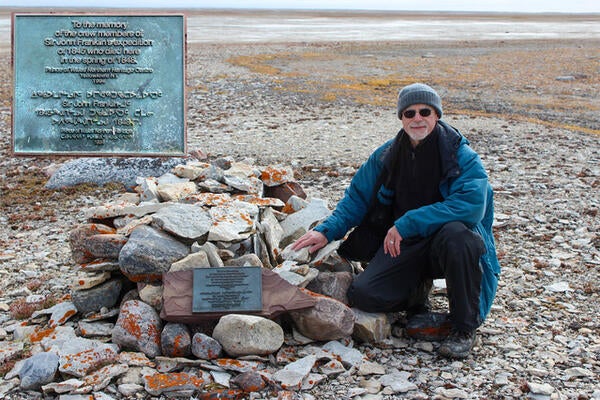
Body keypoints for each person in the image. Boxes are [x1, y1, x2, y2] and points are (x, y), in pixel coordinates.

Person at [291, 83, 500, 359]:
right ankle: (416, 293)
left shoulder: (460, 155)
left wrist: (407, 222)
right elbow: (356, 200)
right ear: (401, 118)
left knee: (459, 237)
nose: (417, 118)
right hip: (403, 246)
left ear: (436, 115)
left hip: (445, 244)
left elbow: (471, 206)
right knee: (364, 295)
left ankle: (463, 328)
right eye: (409, 113)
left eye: (425, 111)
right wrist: (326, 232)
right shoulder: (385, 156)